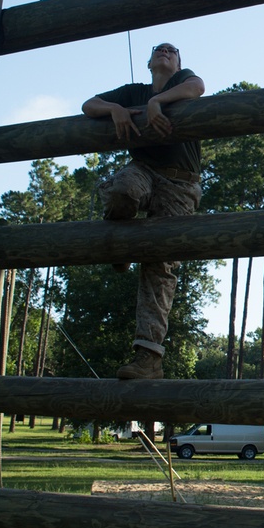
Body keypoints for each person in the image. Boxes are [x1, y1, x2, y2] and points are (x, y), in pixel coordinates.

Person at [82, 43, 205, 380]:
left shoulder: (183, 81)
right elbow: (88, 104)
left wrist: (156, 102)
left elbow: (198, 88)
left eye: (173, 51)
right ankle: (121, 247)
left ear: (179, 63)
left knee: (160, 265)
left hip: (181, 184)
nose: (165, 52)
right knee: (122, 189)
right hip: (144, 171)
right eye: (159, 50)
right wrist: (114, 109)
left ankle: (149, 358)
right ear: (149, 62)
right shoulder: (131, 91)